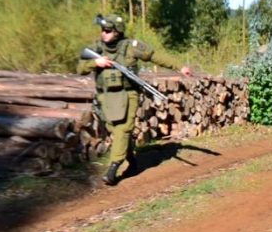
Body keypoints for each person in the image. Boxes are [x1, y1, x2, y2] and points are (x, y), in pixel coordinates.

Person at [77, 14, 192, 186]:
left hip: (128, 94)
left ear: (117, 32)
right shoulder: (96, 49)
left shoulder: (131, 47)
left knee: (123, 129)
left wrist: (179, 66)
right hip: (105, 97)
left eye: (107, 30)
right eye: (102, 30)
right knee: (116, 132)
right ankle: (132, 162)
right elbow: (80, 68)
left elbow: (155, 55)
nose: (104, 33)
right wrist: (96, 63)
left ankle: (112, 170)